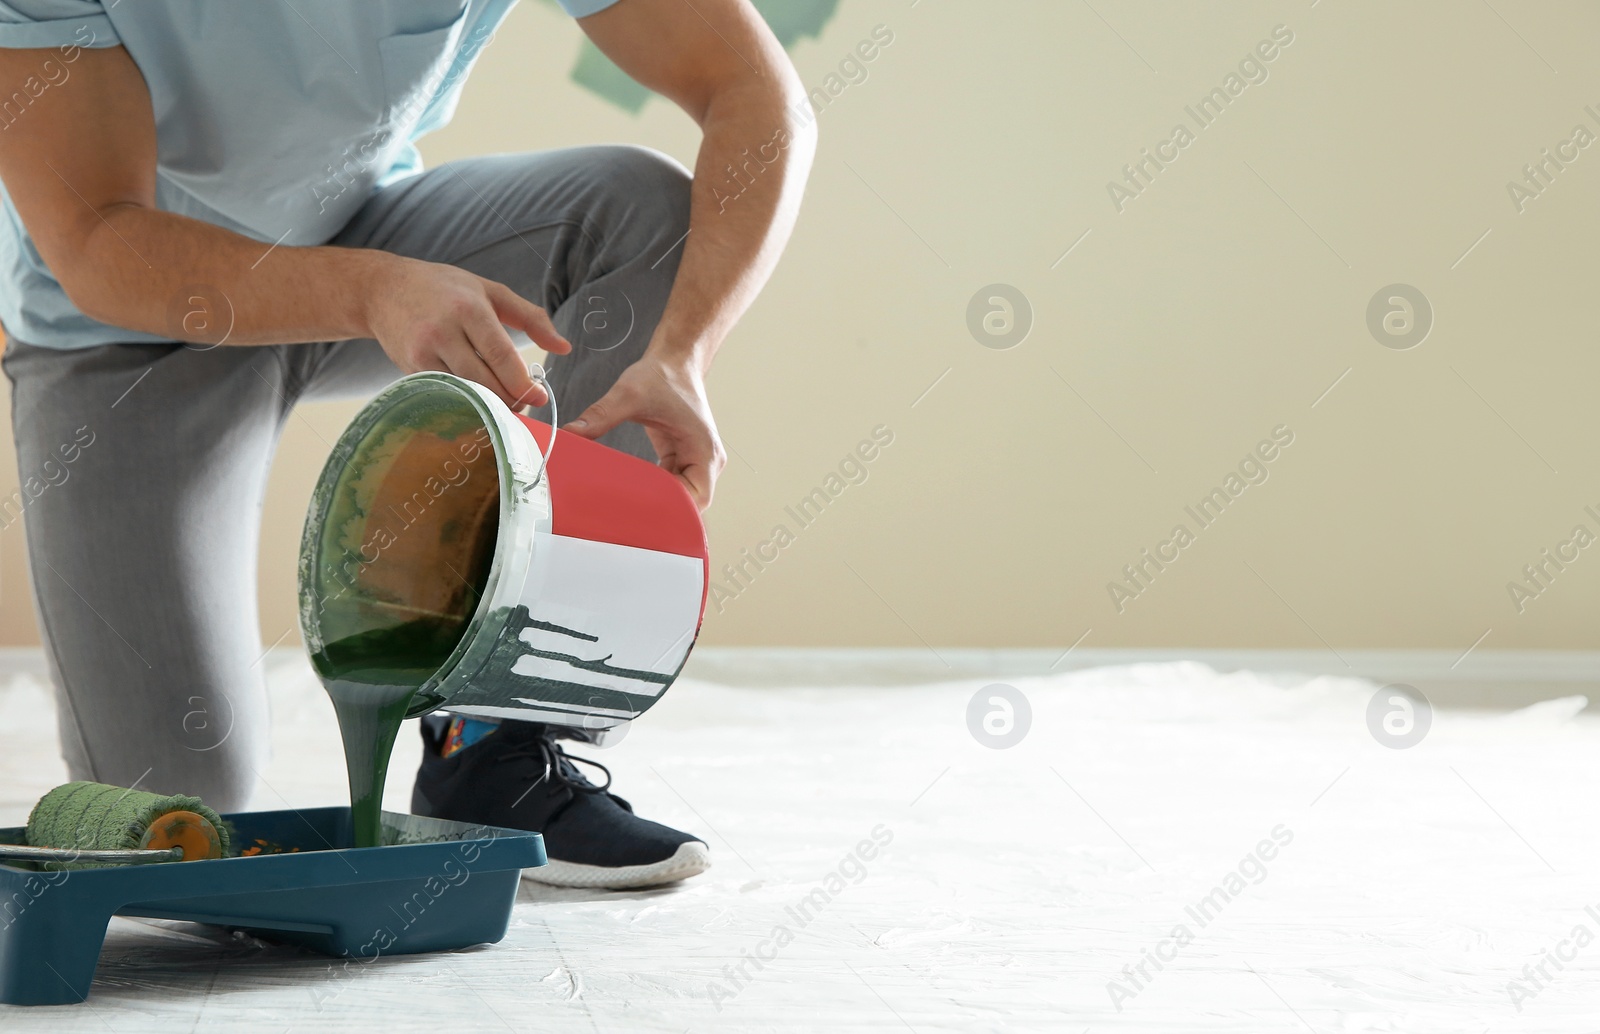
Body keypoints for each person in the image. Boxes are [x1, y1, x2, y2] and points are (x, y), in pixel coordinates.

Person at [0, 0, 815, 889]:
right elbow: (96, 237)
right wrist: (370, 293)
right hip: (126, 326)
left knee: (637, 211)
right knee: (184, 823)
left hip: (356, 227)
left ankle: (491, 745)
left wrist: (681, 349)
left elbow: (757, 97)